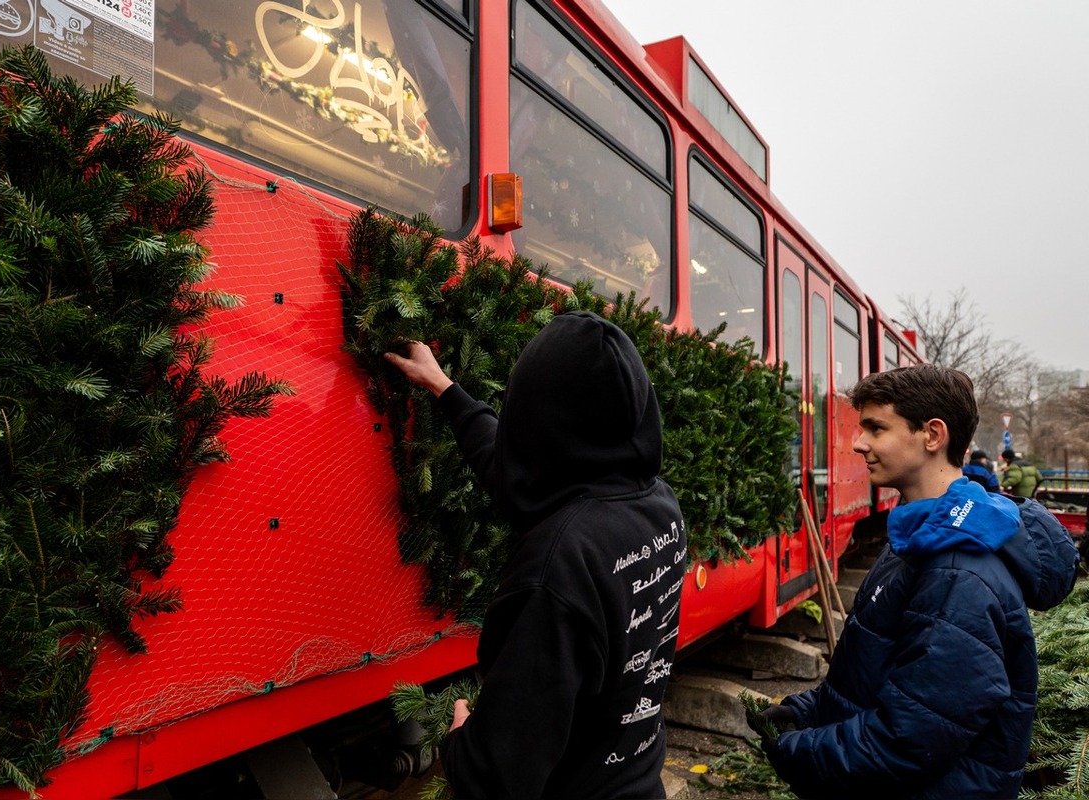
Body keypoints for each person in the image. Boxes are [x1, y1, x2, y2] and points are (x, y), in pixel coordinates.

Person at [384, 312, 686, 799]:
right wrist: (444, 388)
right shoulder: (659, 506)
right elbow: (517, 475)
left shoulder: (558, 567)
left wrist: (460, 741)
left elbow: (496, 779)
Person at [752, 365, 1078, 800]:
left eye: (876, 428)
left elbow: (907, 742)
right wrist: (807, 711)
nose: (858, 442)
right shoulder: (923, 537)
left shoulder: (958, 569)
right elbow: (887, 676)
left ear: (932, 435)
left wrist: (796, 749)